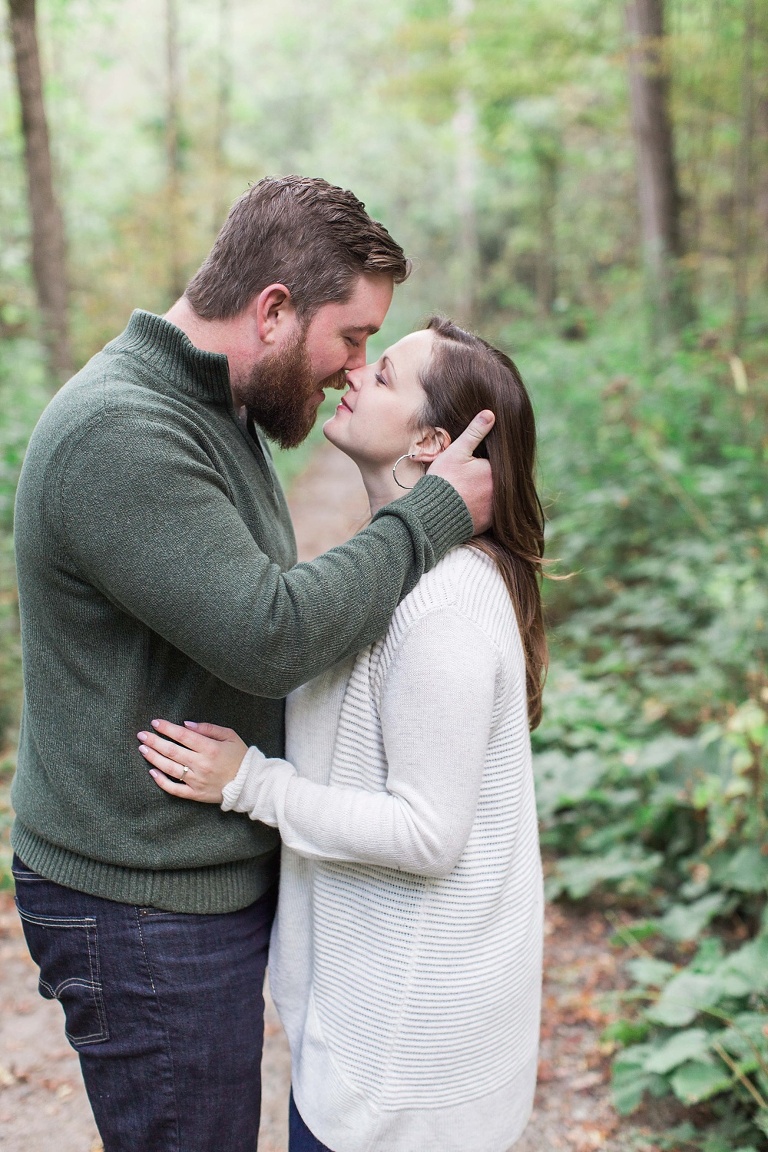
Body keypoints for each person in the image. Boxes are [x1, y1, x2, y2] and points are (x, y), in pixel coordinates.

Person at [11, 178, 494, 1152]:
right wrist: (433, 513)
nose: (353, 370)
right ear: (274, 309)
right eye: (352, 337)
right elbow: (269, 632)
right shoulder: (124, 433)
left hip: (184, 881)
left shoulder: (219, 405)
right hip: (141, 897)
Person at [138, 317, 546, 1152]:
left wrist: (251, 783)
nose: (355, 373)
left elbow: (429, 834)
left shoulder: (446, 607)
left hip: (406, 1075)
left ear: (433, 442)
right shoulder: (394, 569)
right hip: (365, 1034)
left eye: (385, 374)